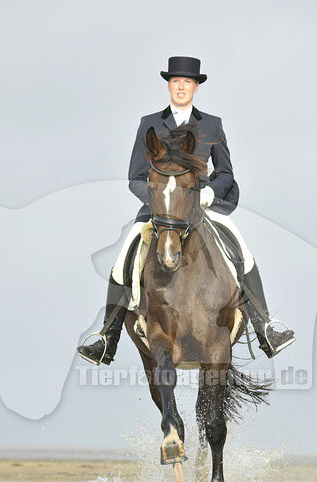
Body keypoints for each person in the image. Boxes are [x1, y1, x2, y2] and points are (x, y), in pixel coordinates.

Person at [78, 56, 295, 365]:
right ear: (169, 86)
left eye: (187, 83)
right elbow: (136, 177)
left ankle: (265, 326)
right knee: (122, 259)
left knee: (243, 252)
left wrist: (209, 192)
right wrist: (158, 201)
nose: (181, 87)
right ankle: (106, 338)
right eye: (176, 82)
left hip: (203, 207)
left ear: (195, 87)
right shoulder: (149, 124)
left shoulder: (212, 125)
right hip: (162, 211)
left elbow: (226, 173)